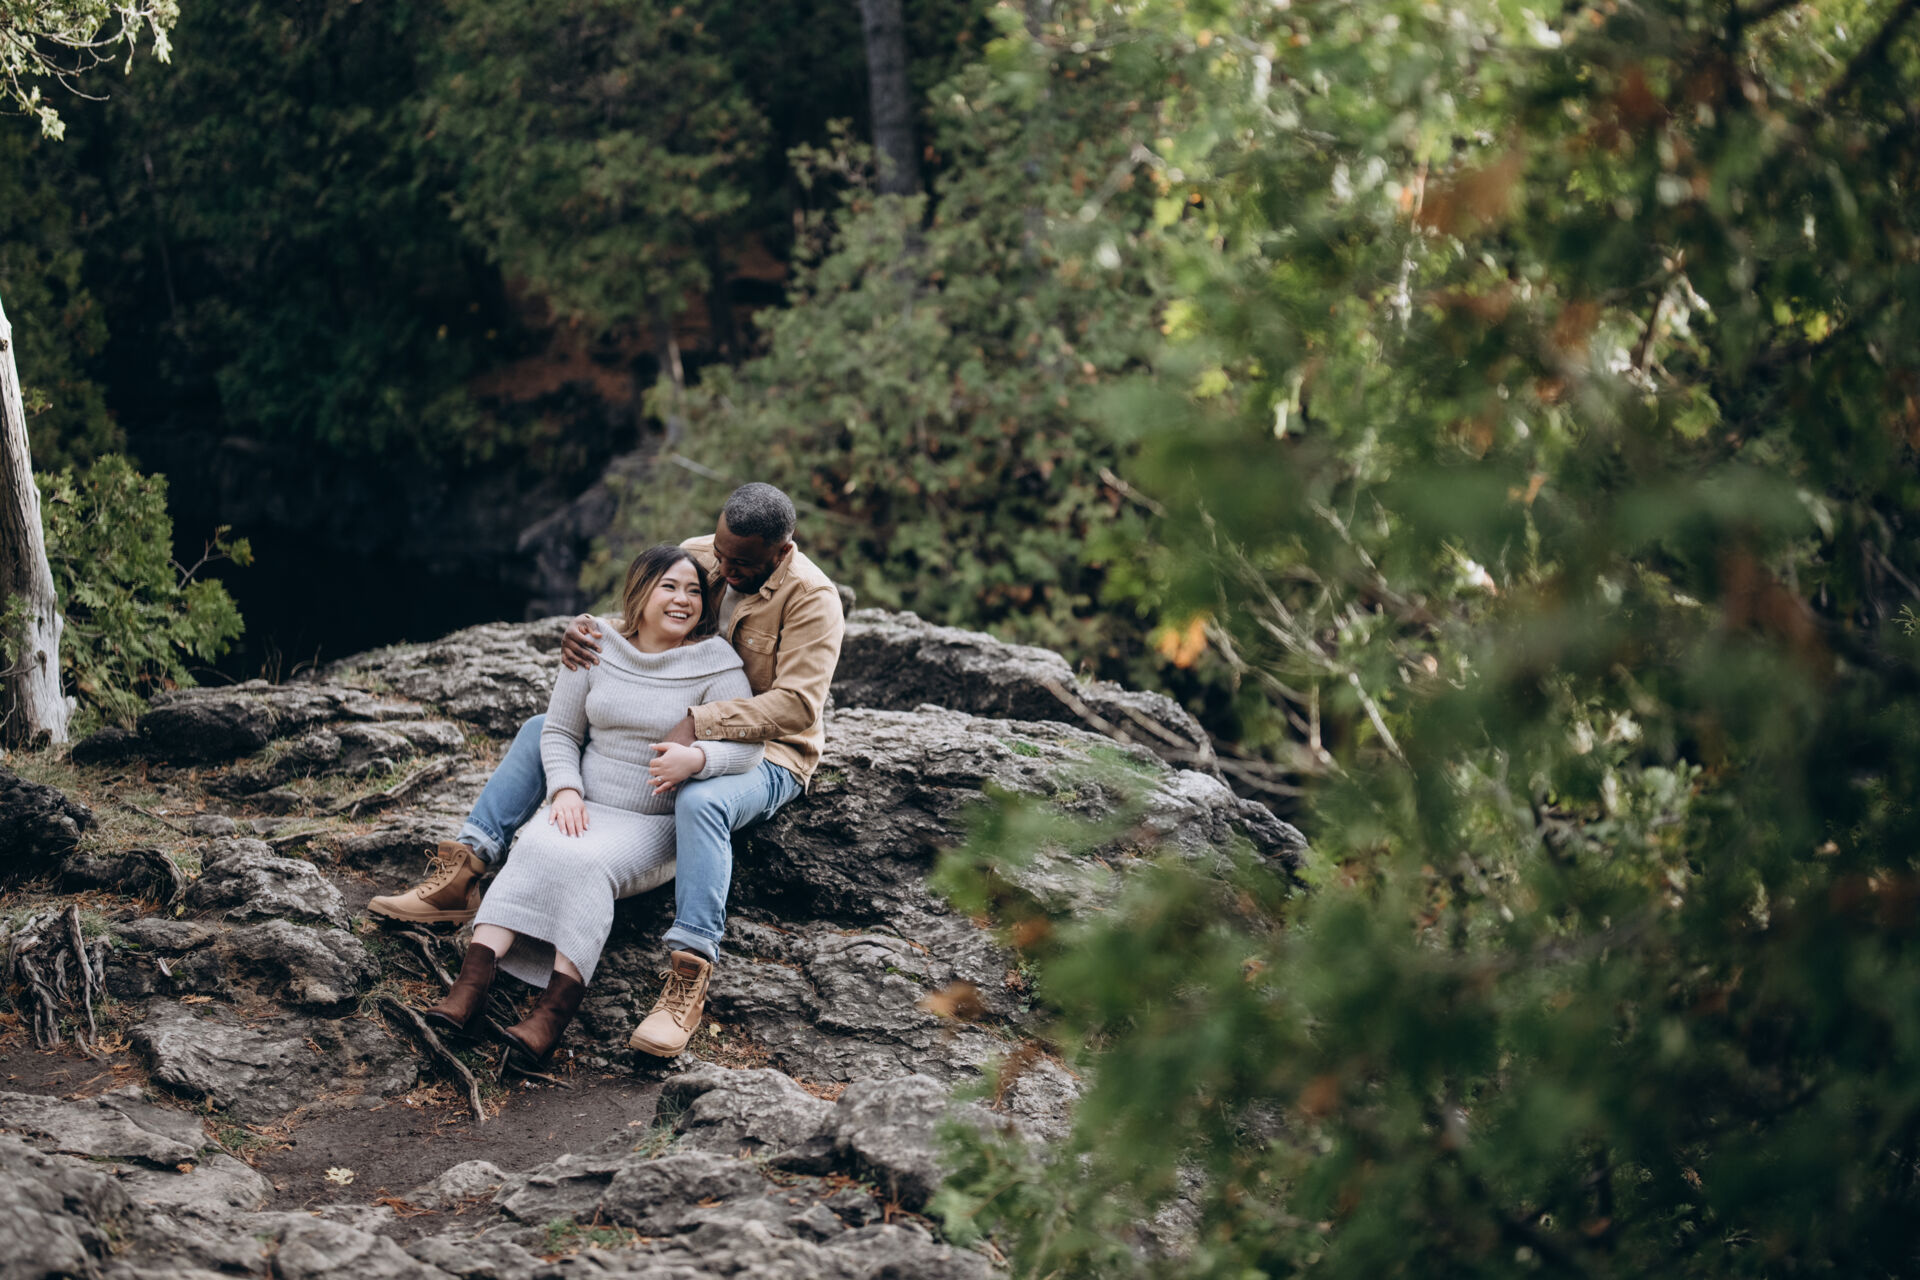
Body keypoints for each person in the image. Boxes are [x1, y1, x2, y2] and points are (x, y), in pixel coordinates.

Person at [371, 482, 846, 1057]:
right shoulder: (704, 556)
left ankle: (690, 971)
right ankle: (466, 869)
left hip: (769, 751)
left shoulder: (812, 599)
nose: (721, 570)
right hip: (668, 727)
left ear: (782, 550)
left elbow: (798, 706)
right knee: (540, 729)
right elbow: (648, 608)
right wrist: (587, 634)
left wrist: (700, 724)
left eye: (739, 564)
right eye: (719, 556)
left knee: (702, 800)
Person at [416, 545, 761, 1068]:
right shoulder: (596, 642)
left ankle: (551, 1016)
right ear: (640, 592)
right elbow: (557, 730)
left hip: (652, 821)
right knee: (532, 844)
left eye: (694, 591)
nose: (683, 599)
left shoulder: (716, 663)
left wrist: (697, 759)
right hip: (586, 803)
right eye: (669, 587)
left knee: (587, 864)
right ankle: (470, 988)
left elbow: (749, 749)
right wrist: (566, 790)